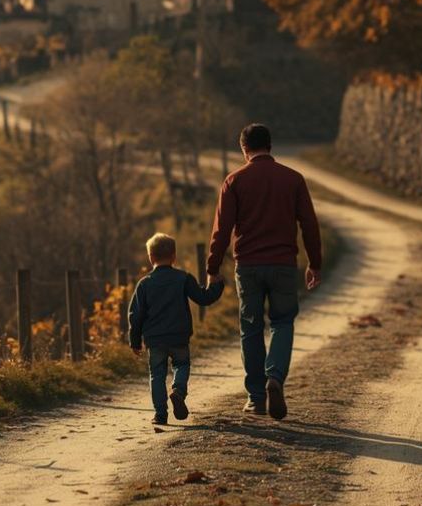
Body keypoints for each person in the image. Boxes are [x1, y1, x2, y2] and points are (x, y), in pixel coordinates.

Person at [207, 123, 322, 420]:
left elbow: (222, 229)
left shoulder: (234, 181)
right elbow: (309, 224)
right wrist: (315, 263)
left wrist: (212, 267)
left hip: (248, 266)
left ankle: (256, 398)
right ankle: (275, 377)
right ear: (270, 146)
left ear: (244, 149)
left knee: (251, 328)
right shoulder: (294, 179)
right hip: (284, 264)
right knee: (283, 323)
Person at [127, 232, 224, 425]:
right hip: (178, 336)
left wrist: (135, 341)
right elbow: (203, 298)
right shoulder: (183, 278)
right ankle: (178, 391)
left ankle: (160, 415)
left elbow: (135, 315)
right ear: (174, 256)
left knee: (157, 374)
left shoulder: (144, 284)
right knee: (181, 365)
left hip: (155, 339)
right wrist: (217, 284)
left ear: (150, 257)